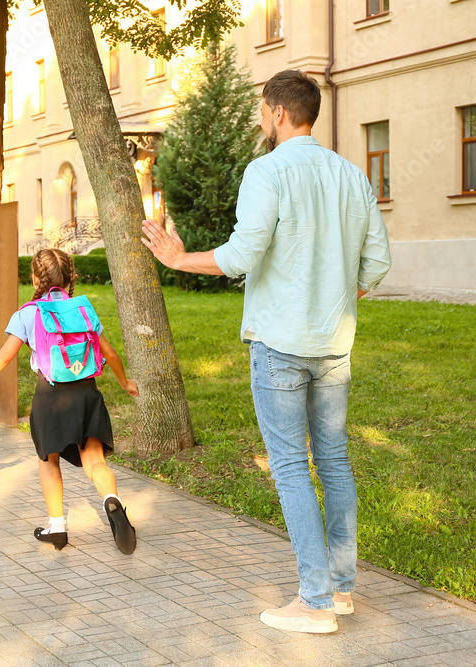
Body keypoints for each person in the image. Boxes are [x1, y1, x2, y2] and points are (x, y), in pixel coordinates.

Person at [141, 69, 391, 634]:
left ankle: (315, 601)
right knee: (332, 459)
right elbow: (376, 264)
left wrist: (179, 259)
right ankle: (342, 589)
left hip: (280, 345)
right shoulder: (352, 175)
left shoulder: (267, 170)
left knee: (290, 468)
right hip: (334, 345)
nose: (261, 119)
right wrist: (335, 291)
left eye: (262, 110)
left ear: (278, 112)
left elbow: (241, 255)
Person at [0, 248, 139, 554]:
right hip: (87, 393)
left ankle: (57, 527)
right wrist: (125, 382)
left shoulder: (27, 313)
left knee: (47, 459)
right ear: (70, 278)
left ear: (35, 277)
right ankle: (110, 500)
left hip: (50, 396)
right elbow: (110, 354)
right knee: (94, 461)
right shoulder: (83, 310)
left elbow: (3, 357)